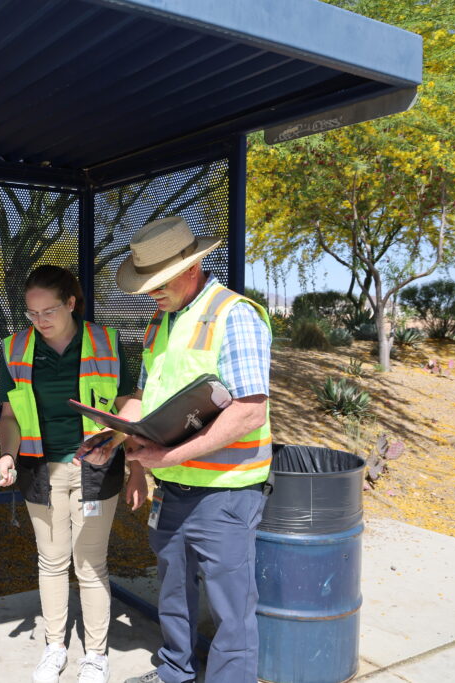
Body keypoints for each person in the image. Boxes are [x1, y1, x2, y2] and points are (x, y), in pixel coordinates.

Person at [79, 216, 273, 683]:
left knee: (232, 612)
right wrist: (121, 439)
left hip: (225, 493)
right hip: (172, 489)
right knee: (172, 593)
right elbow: (147, 398)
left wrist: (169, 458)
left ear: (190, 268)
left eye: (157, 283)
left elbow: (250, 411)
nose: (151, 293)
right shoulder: (160, 322)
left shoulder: (235, 314)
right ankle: (174, 672)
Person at [0, 264, 147, 683]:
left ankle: (95, 655)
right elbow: (9, 415)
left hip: (95, 469)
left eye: (49, 311)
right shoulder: (15, 349)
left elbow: (130, 409)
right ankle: (54, 646)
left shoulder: (108, 343)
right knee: (51, 561)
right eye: (32, 313)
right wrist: (7, 456)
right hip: (39, 469)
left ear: (72, 303)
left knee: (91, 563)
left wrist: (136, 468)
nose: (40, 321)